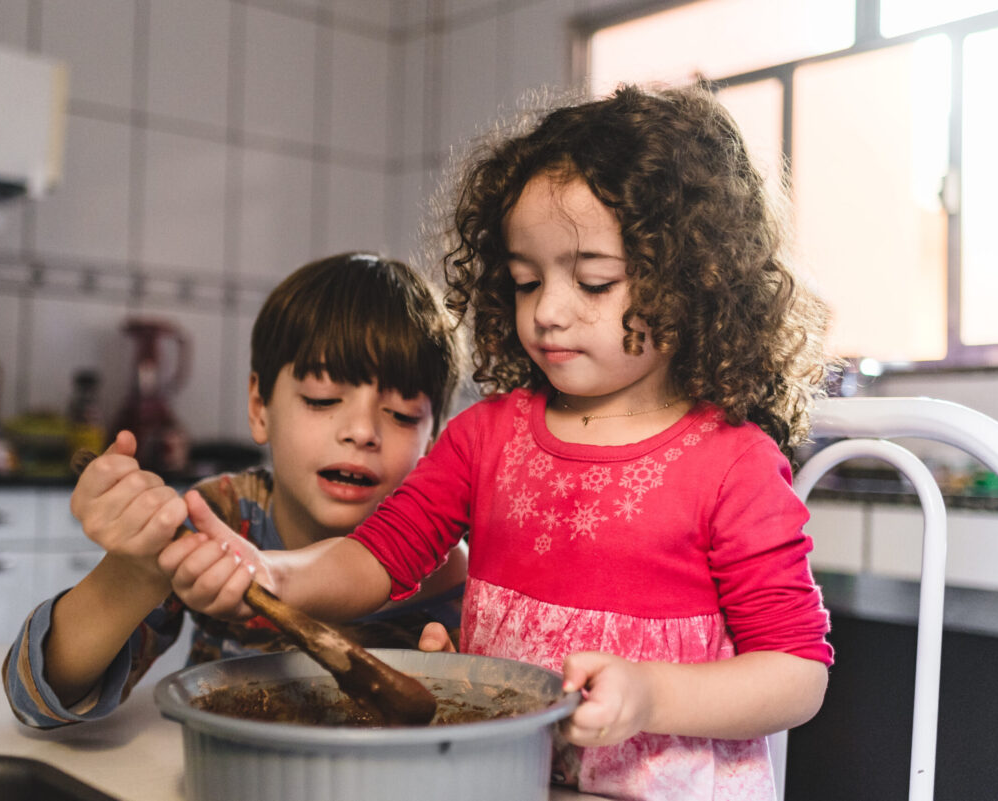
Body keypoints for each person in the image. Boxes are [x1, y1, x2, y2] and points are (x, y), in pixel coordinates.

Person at [160, 84, 834, 800]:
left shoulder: (733, 463)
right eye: (524, 280)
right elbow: (381, 555)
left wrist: (652, 696)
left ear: (692, 277)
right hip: (506, 780)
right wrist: (277, 573)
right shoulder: (488, 436)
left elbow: (797, 675)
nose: (546, 310)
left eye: (594, 281)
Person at [2, 252, 467, 728]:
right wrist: (136, 573)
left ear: (434, 443)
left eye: (403, 414)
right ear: (260, 407)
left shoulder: (448, 569)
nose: (362, 431)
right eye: (322, 399)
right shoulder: (219, 519)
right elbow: (35, 699)